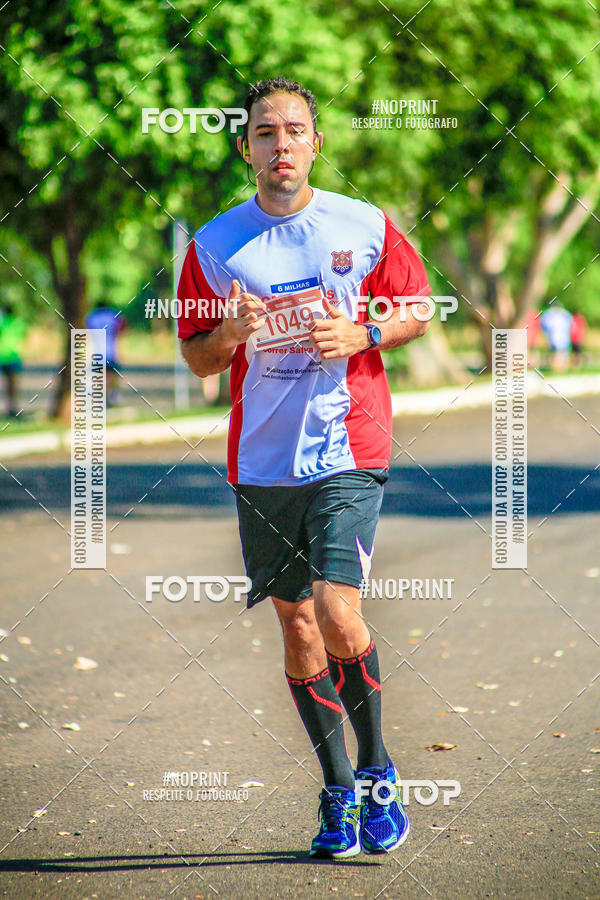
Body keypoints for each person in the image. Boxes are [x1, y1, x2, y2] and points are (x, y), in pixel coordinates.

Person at [177, 77, 431, 859]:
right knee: (294, 623)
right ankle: (336, 790)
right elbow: (196, 361)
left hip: (349, 446)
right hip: (262, 460)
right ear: (245, 146)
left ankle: (379, 769)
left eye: (294, 130)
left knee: (336, 607)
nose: (280, 144)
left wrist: (365, 334)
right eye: (264, 132)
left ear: (316, 142)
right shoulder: (216, 245)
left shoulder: (361, 224)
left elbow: (419, 306)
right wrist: (229, 331)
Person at [84, 302, 127, 406]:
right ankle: (111, 396)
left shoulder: (91, 317)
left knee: (99, 376)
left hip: (96, 353)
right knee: (112, 376)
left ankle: (100, 398)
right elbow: (123, 327)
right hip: (111, 352)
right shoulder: (113, 315)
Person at [0, 303, 27, 417]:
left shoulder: (2, 323)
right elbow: (24, 335)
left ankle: (10, 407)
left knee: (7, 384)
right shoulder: (19, 323)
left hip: (3, 356)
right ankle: (13, 407)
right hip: (13, 356)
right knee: (13, 384)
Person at [540, 302, 572, 372]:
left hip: (554, 337)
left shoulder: (548, 314)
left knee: (556, 353)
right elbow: (570, 326)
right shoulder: (565, 314)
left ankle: (557, 369)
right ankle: (560, 369)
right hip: (563, 337)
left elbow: (544, 327)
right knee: (561, 353)